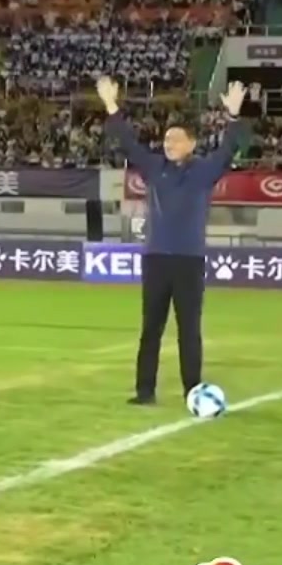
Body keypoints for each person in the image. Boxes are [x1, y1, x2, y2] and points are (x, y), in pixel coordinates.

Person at [98, 76, 248, 406]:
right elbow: (128, 142)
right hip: (155, 259)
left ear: (191, 144)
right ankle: (144, 391)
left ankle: (192, 389)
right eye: (166, 139)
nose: (169, 143)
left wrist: (234, 116)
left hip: (188, 261)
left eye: (176, 139)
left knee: (188, 330)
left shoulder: (204, 171)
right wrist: (111, 105)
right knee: (150, 328)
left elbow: (229, 149)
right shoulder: (155, 167)